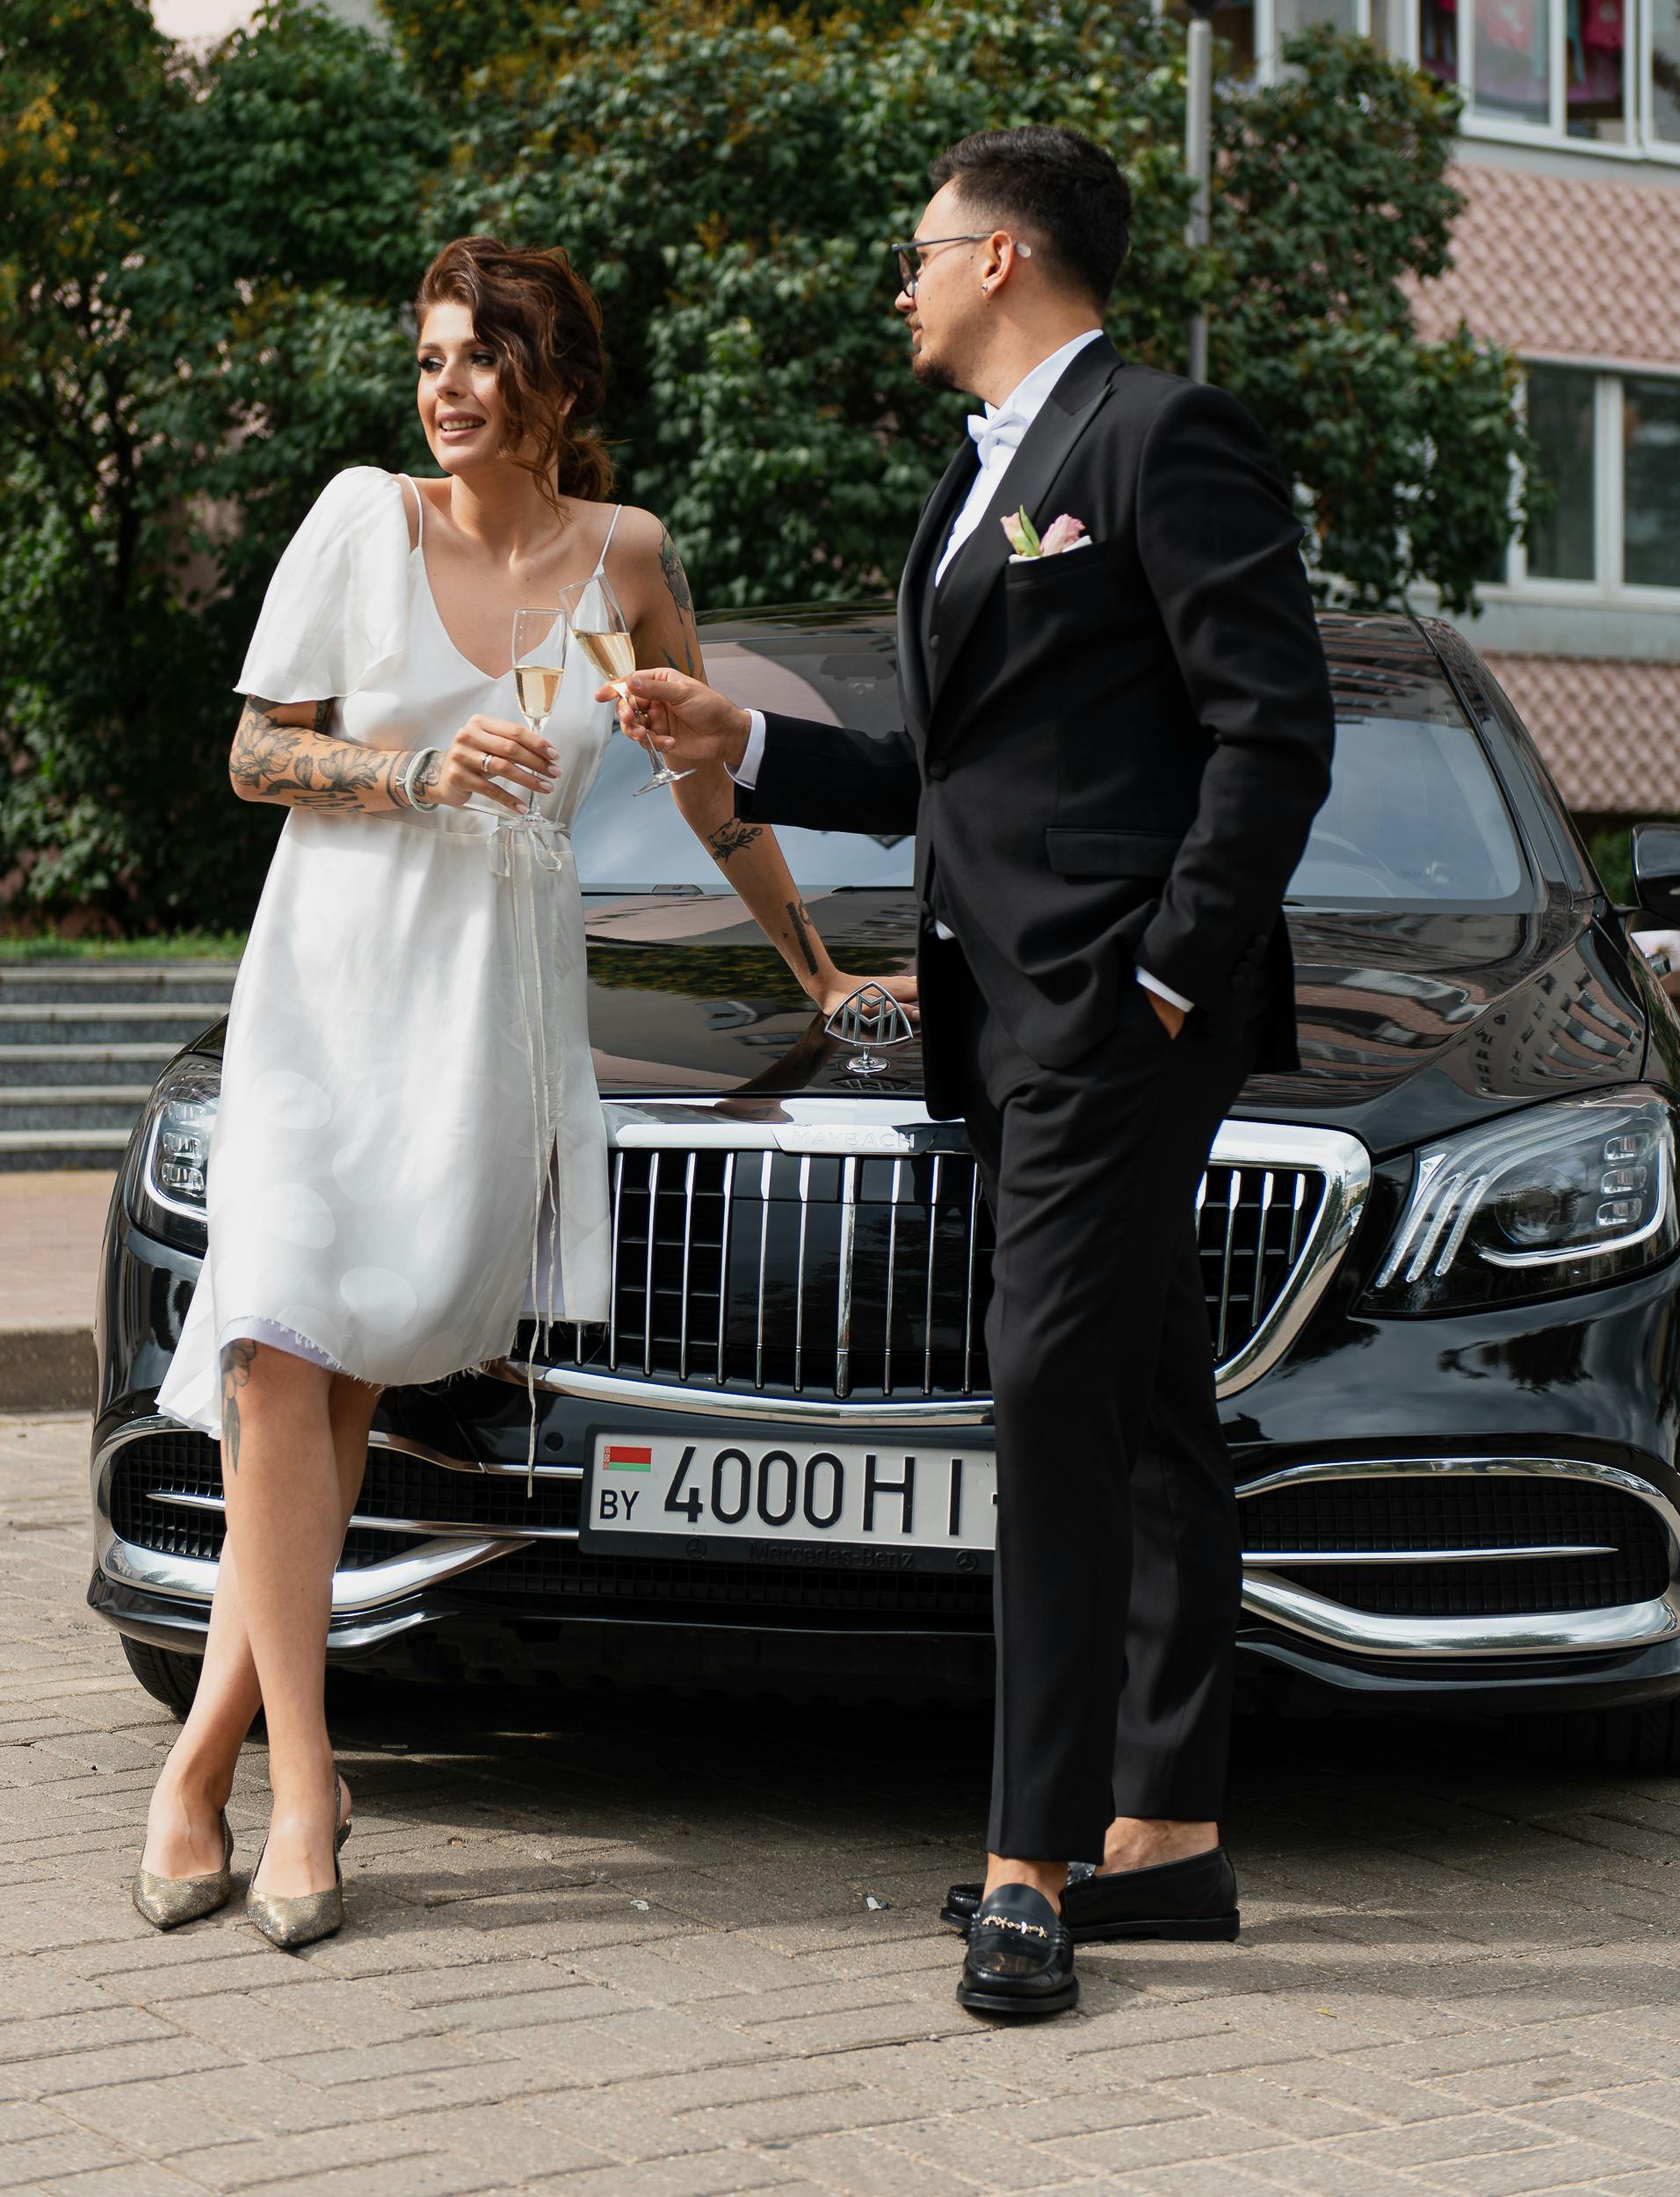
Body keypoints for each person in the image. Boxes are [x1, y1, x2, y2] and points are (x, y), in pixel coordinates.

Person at [602, 129, 1335, 2021]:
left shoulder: (1160, 438)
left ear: (1001, 256)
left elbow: (1275, 730)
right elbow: (958, 768)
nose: (899, 283)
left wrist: (1165, 977)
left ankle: (1032, 1859)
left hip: (1106, 1015)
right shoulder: (977, 477)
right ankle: (1168, 1836)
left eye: (916, 250)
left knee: (1042, 1399)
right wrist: (742, 738)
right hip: (1001, 1013)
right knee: (1148, 1406)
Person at [134, 236, 909, 1950]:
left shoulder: (622, 560)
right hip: (329, 982)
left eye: (483, 353)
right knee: (277, 1349)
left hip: (482, 1008)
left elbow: (709, 784)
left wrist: (820, 973)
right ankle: (302, 1788)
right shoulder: (358, 523)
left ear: (558, 378)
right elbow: (259, 749)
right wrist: (407, 763)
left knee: (343, 1391)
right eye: (430, 355)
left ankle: (204, 1752)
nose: (448, 382)